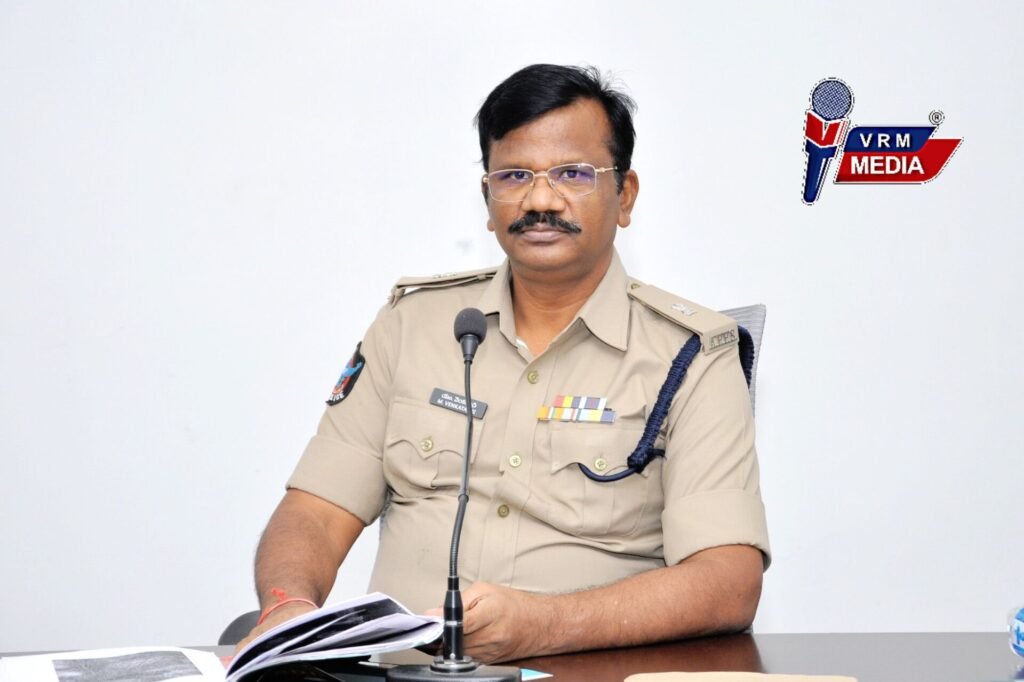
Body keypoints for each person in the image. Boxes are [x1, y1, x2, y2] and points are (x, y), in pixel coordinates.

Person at [238, 64, 770, 663]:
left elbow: (729, 582)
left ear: (624, 195)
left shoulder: (692, 354)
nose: (540, 200)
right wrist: (287, 607)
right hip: (405, 678)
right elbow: (315, 509)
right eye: (515, 176)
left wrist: (545, 625)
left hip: (587, 675)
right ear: (488, 200)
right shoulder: (413, 325)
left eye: (573, 173)